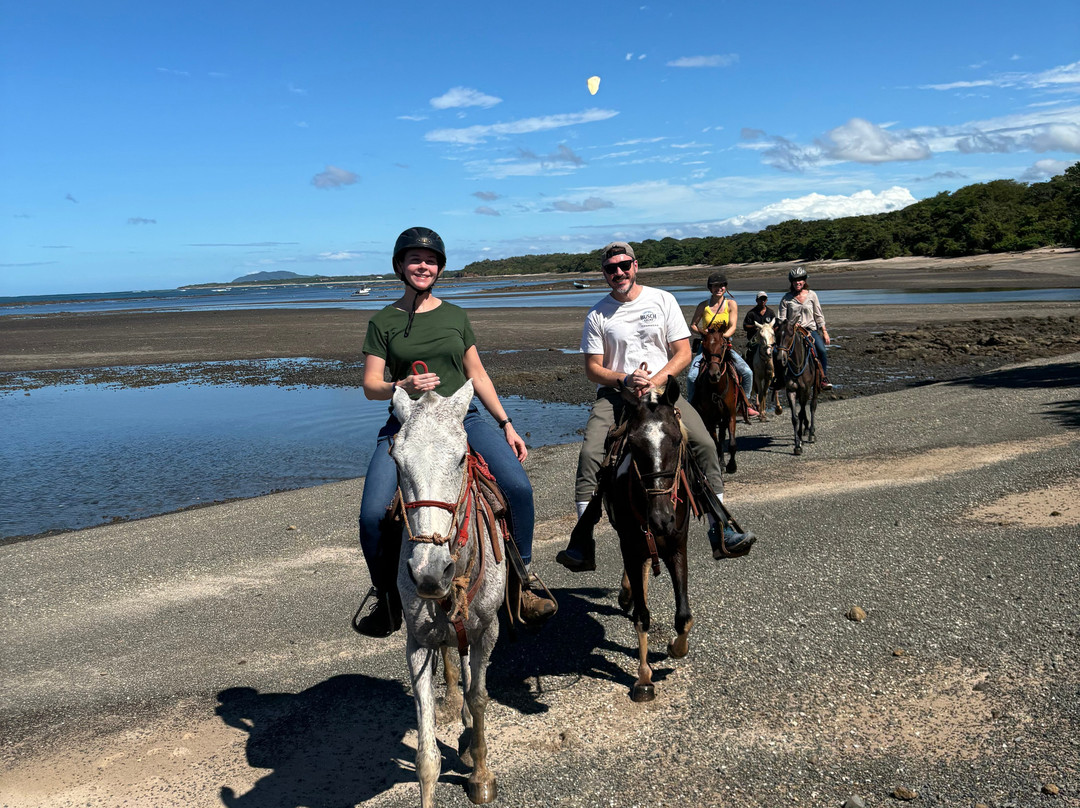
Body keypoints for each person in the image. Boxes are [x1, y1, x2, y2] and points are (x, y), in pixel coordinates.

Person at [354, 226, 556, 637]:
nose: (422, 266)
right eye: (414, 259)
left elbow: (476, 373)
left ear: (439, 269)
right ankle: (386, 598)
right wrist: (401, 386)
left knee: (517, 488)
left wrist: (506, 423)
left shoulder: (455, 315)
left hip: (462, 420)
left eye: (430, 261)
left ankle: (523, 579)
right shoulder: (383, 321)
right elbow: (371, 385)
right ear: (399, 266)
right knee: (373, 514)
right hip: (406, 424)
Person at [555, 242, 756, 572]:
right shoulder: (597, 314)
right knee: (590, 454)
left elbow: (682, 353)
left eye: (624, 266)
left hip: (663, 394)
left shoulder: (663, 300)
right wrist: (624, 380)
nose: (618, 273)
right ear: (604, 274)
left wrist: (657, 379)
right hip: (617, 396)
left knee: (704, 443)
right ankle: (582, 541)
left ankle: (721, 529)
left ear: (636, 266)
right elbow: (593, 367)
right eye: (611, 269)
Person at [685, 273, 757, 416]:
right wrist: (704, 333)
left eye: (722, 285)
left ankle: (745, 404)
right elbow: (693, 325)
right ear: (710, 288)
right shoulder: (703, 306)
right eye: (716, 286)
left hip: (724, 345)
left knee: (747, 372)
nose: (719, 288)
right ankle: (691, 405)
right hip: (707, 346)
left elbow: (733, 327)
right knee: (691, 377)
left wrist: (720, 338)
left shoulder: (731, 304)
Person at [776, 266, 833, 389]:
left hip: (809, 331)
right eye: (795, 280)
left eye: (800, 280)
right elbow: (781, 319)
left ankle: (823, 378)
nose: (798, 282)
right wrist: (790, 325)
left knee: (821, 350)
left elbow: (818, 315)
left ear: (805, 281)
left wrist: (824, 332)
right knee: (778, 352)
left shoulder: (812, 295)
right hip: (792, 332)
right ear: (791, 282)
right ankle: (779, 379)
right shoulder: (786, 298)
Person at [743, 291, 777, 361]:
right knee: (748, 354)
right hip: (755, 339)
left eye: (764, 299)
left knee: (777, 352)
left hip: (768, 339)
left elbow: (775, 326)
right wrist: (754, 327)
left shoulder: (770, 312)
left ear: (767, 300)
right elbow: (745, 326)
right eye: (761, 299)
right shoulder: (751, 313)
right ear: (757, 300)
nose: (762, 301)